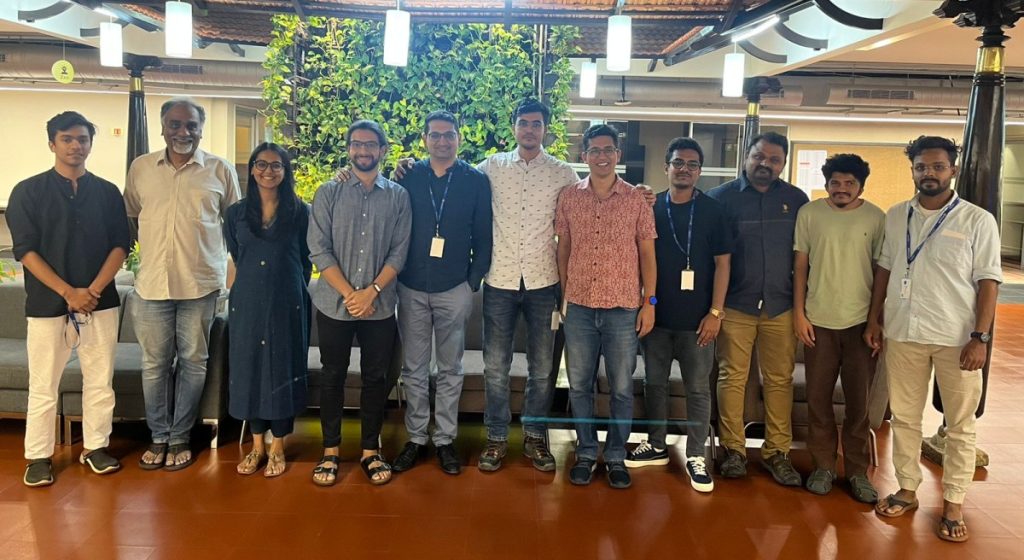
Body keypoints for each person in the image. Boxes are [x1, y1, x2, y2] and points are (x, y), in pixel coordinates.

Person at [866, 136, 1001, 543]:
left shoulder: (977, 220)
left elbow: (989, 282)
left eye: (938, 166)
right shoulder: (895, 216)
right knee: (904, 417)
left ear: (953, 170)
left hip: (956, 338)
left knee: (959, 424)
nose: (930, 173)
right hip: (903, 332)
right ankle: (907, 489)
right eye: (922, 166)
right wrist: (875, 320)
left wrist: (980, 338)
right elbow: (885, 272)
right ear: (913, 170)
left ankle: (954, 501)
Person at [7, 111, 130, 486]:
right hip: (47, 305)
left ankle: (96, 448)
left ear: (91, 144)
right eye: (67, 139)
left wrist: (91, 291)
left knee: (99, 380)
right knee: (43, 384)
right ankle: (39, 456)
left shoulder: (107, 192)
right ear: (52, 144)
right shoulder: (27, 191)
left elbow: (121, 244)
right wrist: (67, 292)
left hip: (100, 302)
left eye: (83, 139)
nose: (76, 146)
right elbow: (25, 251)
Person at [124, 97, 241, 471]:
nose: (183, 132)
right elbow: (129, 219)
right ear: (163, 128)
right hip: (152, 286)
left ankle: (180, 436)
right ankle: (158, 436)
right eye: (175, 124)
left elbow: (235, 228)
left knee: (194, 362)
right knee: (155, 364)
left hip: (201, 286)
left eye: (191, 125)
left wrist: (233, 279)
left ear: (200, 129)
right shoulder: (141, 168)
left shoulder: (219, 170)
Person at [308, 119, 411, 486]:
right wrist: (352, 294)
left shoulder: (398, 196)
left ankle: (371, 450)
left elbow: (400, 252)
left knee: (375, 378)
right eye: (356, 144)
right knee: (332, 376)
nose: (363, 151)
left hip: (379, 306)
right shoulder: (328, 192)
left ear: (383, 150)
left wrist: (372, 292)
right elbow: (318, 248)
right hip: (334, 303)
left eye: (370, 145)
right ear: (349, 148)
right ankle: (330, 451)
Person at [626, 137, 732, 494]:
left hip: (699, 320)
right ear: (666, 167)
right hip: (656, 316)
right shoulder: (651, 206)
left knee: (697, 389)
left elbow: (723, 264)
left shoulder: (713, 210)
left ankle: (696, 454)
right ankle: (656, 444)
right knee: (653, 383)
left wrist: (716, 312)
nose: (683, 169)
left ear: (699, 171)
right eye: (677, 163)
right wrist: (646, 304)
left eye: (691, 164)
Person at [389, 111, 492, 475]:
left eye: (449, 135)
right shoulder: (407, 176)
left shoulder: (475, 180)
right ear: (424, 139)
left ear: (459, 138)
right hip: (410, 286)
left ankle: (445, 438)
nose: (442, 141)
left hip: (455, 287)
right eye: (435, 135)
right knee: (414, 368)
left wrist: (472, 282)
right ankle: (416, 438)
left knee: (450, 368)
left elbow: (484, 236)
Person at [555, 124, 657, 489]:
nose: (601, 156)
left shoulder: (636, 200)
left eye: (608, 150)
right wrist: (565, 296)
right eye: (594, 150)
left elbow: (647, 253)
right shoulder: (569, 197)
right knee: (580, 387)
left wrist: (651, 303)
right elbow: (563, 248)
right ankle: (585, 452)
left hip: (623, 309)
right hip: (579, 308)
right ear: (584, 155)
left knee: (621, 389)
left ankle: (615, 456)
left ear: (618, 155)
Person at [707, 131, 808, 486]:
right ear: (746, 157)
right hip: (736, 304)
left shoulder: (797, 201)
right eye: (759, 157)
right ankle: (733, 450)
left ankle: (776, 453)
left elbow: (802, 257)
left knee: (779, 380)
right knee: (731, 378)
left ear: (783, 163)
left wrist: (800, 308)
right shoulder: (720, 200)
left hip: (780, 306)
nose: (765, 164)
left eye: (774, 159)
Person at [792, 153, 884, 502]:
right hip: (818, 323)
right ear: (826, 183)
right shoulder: (810, 213)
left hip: (860, 325)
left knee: (858, 404)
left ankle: (858, 472)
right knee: (817, 400)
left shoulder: (876, 218)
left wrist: (875, 320)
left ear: (860, 185)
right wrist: (799, 314)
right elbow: (800, 266)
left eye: (849, 183)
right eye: (835, 183)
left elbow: (881, 273)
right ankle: (823, 466)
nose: (841, 189)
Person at [224, 143, 311, 478]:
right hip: (247, 301)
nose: (268, 171)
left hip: (287, 300)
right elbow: (236, 254)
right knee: (250, 369)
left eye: (277, 165)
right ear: (252, 169)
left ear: (285, 171)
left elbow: (306, 259)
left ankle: (278, 446)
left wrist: (290, 288)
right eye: (262, 164)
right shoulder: (235, 213)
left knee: (282, 367)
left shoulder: (301, 211)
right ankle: (256, 445)